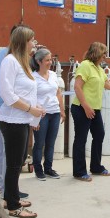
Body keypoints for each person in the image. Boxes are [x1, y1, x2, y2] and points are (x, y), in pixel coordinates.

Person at [0, 26, 45, 218]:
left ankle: (12, 196)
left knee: (17, 162)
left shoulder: (23, 63)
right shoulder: (9, 61)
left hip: (22, 119)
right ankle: (14, 207)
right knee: (14, 164)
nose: (34, 43)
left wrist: (35, 112)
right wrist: (30, 110)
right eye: (32, 40)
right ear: (22, 42)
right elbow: (7, 94)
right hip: (12, 120)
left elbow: (28, 92)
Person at [71, 42, 110, 182]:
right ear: (97, 53)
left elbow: (109, 85)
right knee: (81, 139)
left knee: (99, 135)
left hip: (94, 109)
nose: (105, 56)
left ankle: (96, 167)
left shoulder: (99, 68)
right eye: (104, 53)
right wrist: (86, 106)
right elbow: (77, 87)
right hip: (81, 108)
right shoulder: (85, 65)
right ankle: (79, 172)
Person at [0, 25, 29, 199]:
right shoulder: (10, 58)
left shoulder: (0, 56)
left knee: (0, 149)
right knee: (9, 152)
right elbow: (12, 90)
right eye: (30, 40)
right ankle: (8, 189)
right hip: (8, 111)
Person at [30, 47, 66, 181]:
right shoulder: (33, 77)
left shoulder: (52, 75)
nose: (50, 62)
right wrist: (34, 119)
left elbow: (58, 93)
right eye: (47, 60)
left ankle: (49, 168)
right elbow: (31, 98)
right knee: (39, 143)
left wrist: (62, 111)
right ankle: (38, 170)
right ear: (39, 61)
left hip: (54, 113)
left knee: (51, 143)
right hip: (41, 115)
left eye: (51, 59)